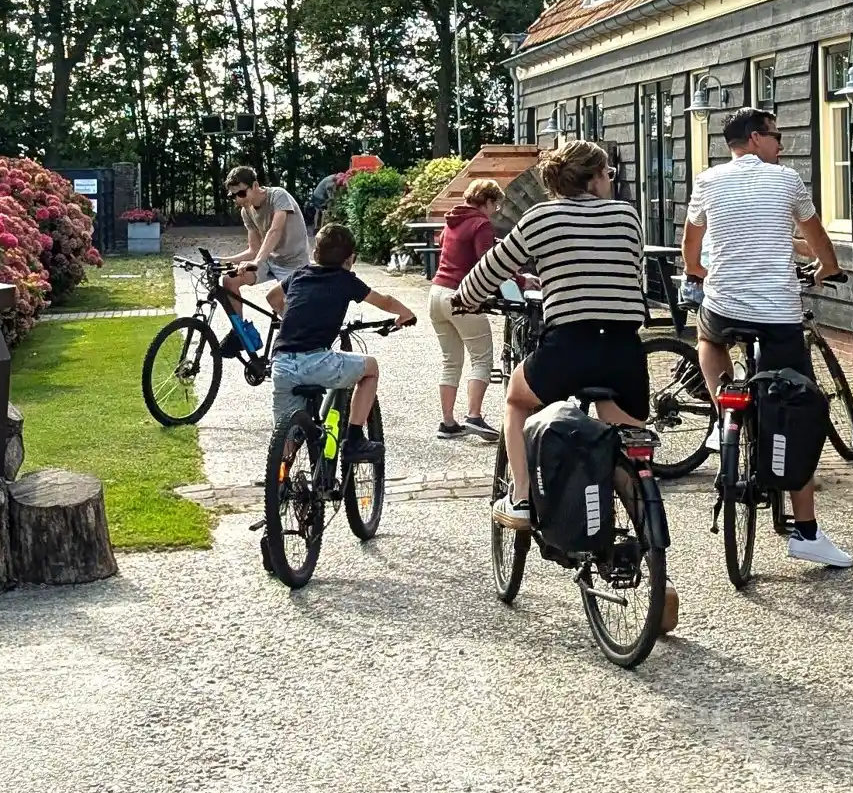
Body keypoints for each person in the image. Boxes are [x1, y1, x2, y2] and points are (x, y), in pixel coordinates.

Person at [681, 105, 852, 569]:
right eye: (776, 136)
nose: (782, 144)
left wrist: (699, 272)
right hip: (778, 314)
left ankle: (724, 409)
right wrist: (829, 268)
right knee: (796, 408)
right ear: (755, 138)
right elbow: (815, 236)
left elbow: (691, 246)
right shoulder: (787, 181)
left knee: (709, 338)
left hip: (724, 307)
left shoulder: (707, 181)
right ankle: (808, 533)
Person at [454, 140, 647, 531]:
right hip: (625, 351)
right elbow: (633, 269)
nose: (610, 180)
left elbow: (492, 268)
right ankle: (652, 547)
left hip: (569, 348)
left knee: (516, 398)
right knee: (623, 436)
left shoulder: (541, 218)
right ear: (593, 179)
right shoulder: (627, 216)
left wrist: (465, 299)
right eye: (607, 174)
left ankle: (522, 498)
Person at [271, 222, 416, 451]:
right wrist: (405, 314)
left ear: (315, 253)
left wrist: (289, 314)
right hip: (316, 362)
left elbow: (272, 297)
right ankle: (355, 437)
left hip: (281, 364)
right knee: (371, 367)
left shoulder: (299, 274)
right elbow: (385, 301)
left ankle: (280, 480)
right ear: (350, 259)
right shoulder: (346, 280)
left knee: (287, 438)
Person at [428, 179, 504, 442]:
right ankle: (474, 415)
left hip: (436, 293)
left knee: (451, 361)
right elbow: (489, 264)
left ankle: (448, 422)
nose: (496, 210)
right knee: (481, 358)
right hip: (460, 296)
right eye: (496, 204)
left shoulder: (452, 222)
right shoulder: (481, 223)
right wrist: (517, 281)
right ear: (488, 201)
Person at [221, 167, 311, 337]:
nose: (237, 200)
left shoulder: (278, 195)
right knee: (229, 280)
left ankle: (304, 336)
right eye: (232, 196)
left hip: (295, 264)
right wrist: (223, 260)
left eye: (240, 194)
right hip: (270, 261)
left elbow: (275, 230)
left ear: (255, 186)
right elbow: (253, 249)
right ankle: (240, 334)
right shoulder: (246, 211)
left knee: (291, 312)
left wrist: (257, 261)